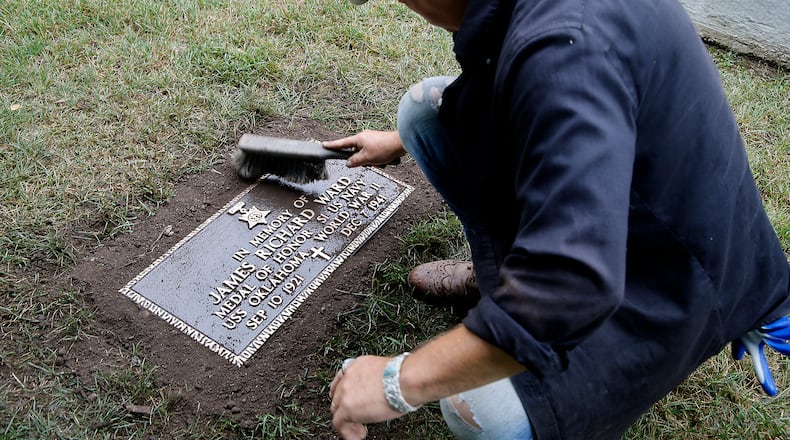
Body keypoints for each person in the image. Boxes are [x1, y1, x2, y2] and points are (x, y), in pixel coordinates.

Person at [321, 0, 790, 439]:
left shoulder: (570, 49)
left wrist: (394, 384)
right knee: (425, 113)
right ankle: (504, 283)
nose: (416, 11)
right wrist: (399, 140)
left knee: (478, 406)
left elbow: (573, 285)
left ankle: (526, 318)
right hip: (623, 205)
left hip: (670, 274)